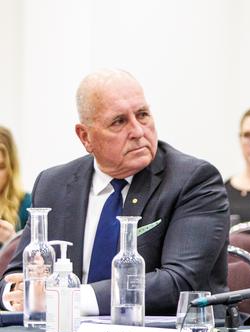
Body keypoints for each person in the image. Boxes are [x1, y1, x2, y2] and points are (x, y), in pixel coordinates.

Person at [1, 69, 229, 316]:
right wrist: (14, 296)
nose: (138, 131)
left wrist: (69, 299)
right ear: (85, 136)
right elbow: (16, 276)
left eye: (142, 115)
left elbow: (179, 282)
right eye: (119, 121)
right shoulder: (53, 184)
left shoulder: (194, 181)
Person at [0, 126, 31, 245]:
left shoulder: (27, 205)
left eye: (1, 167)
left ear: (12, 168)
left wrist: (13, 242)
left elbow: (37, 260)